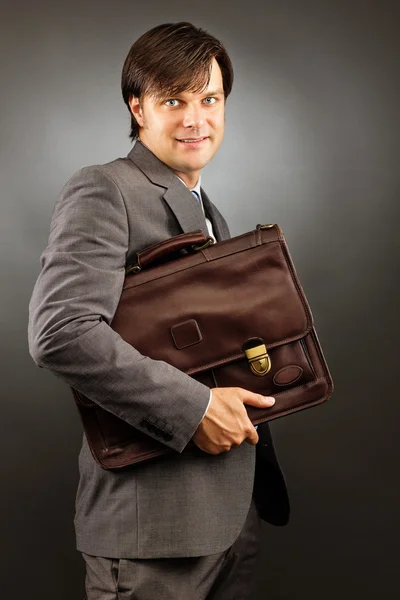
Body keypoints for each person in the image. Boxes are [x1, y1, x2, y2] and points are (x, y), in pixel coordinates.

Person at [28, 21, 289, 600]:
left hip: (227, 523)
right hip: (152, 534)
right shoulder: (105, 188)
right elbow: (61, 331)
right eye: (174, 100)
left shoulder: (206, 209)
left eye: (209, 99)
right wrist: (196, 410)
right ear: (137, 107)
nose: (195, 118)